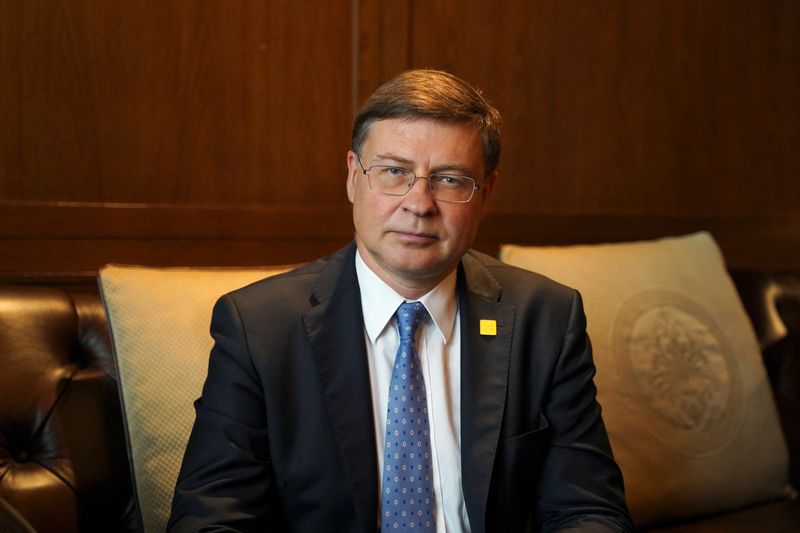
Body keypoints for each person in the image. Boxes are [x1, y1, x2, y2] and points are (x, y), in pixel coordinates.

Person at [168, 69, 633, 532]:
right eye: (394, 171)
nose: (419, 203)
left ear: (485, 195)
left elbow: (587, 510)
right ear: (353, 177)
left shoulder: (546, 318)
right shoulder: (259, 327)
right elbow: (212, 518)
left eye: (450, 180)